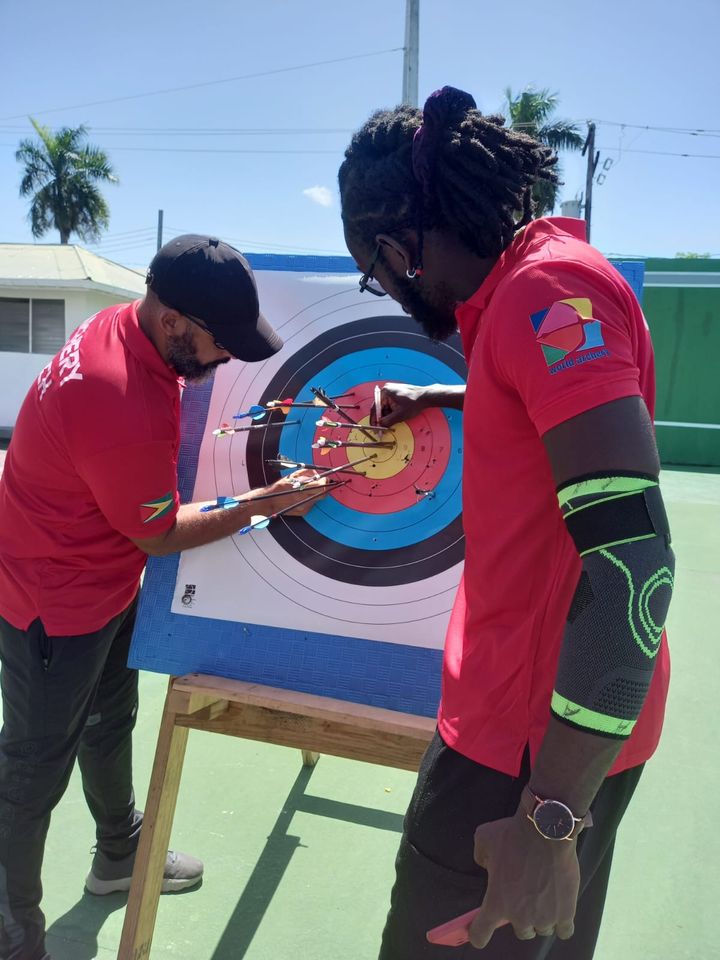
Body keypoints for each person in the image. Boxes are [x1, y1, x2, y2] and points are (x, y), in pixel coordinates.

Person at [339, 88, 675, 959]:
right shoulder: (541, 284)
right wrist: (447, 394)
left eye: (378, 273)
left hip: (526, 755)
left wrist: (549, 818)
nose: (391, 292)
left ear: (398, 243)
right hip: (567, 731)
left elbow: (634, 564)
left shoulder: (544, 293)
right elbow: (547, 404)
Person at [0, 234, 326, 960]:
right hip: (52, 599)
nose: (225, 363)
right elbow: (158, 532)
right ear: (174, 321)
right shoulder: (117, 396)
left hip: (98, 578)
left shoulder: (127, 326)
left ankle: (119, 855)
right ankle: (12, 932)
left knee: (112, 719)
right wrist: (263, 501)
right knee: (30, 769)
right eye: (219, 346)